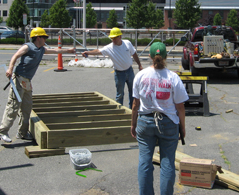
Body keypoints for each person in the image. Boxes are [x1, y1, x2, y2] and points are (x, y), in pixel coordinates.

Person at [0, 27, 75, 143]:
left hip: (27, 81)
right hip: (18, 79)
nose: (45, 39)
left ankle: (22, 133)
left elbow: (55, 51)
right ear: (38, 38)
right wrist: (10, 69)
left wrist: (68, 51)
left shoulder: (41, 49)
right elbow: (15, 56)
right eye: (44, 37)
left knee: (26, 108)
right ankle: (3, 131)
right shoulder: (27, 46)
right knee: (13, 106)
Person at [131, 42, 189, 195]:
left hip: (145, 121)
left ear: (150, 56)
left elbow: (135, 105)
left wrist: (133, 124)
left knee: (144, 162)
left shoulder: (140, 76)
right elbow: (180, 107)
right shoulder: (173, 77)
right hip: (168, 123)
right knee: (167, 163)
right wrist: (182, 127)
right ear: (166, 57)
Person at [81, 27, 143, 109]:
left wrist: (139, 64)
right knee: (120, 94)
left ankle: (132, 111)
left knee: (132, 92)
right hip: (119, 73)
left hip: (129, 71)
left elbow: (134, 54)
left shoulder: (127, 43)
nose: (113, 40)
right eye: (112, 38)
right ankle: (119, 110)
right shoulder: (109, 47)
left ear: (120, 37)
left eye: (115, 38)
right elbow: (98, 51)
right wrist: (87, 52)